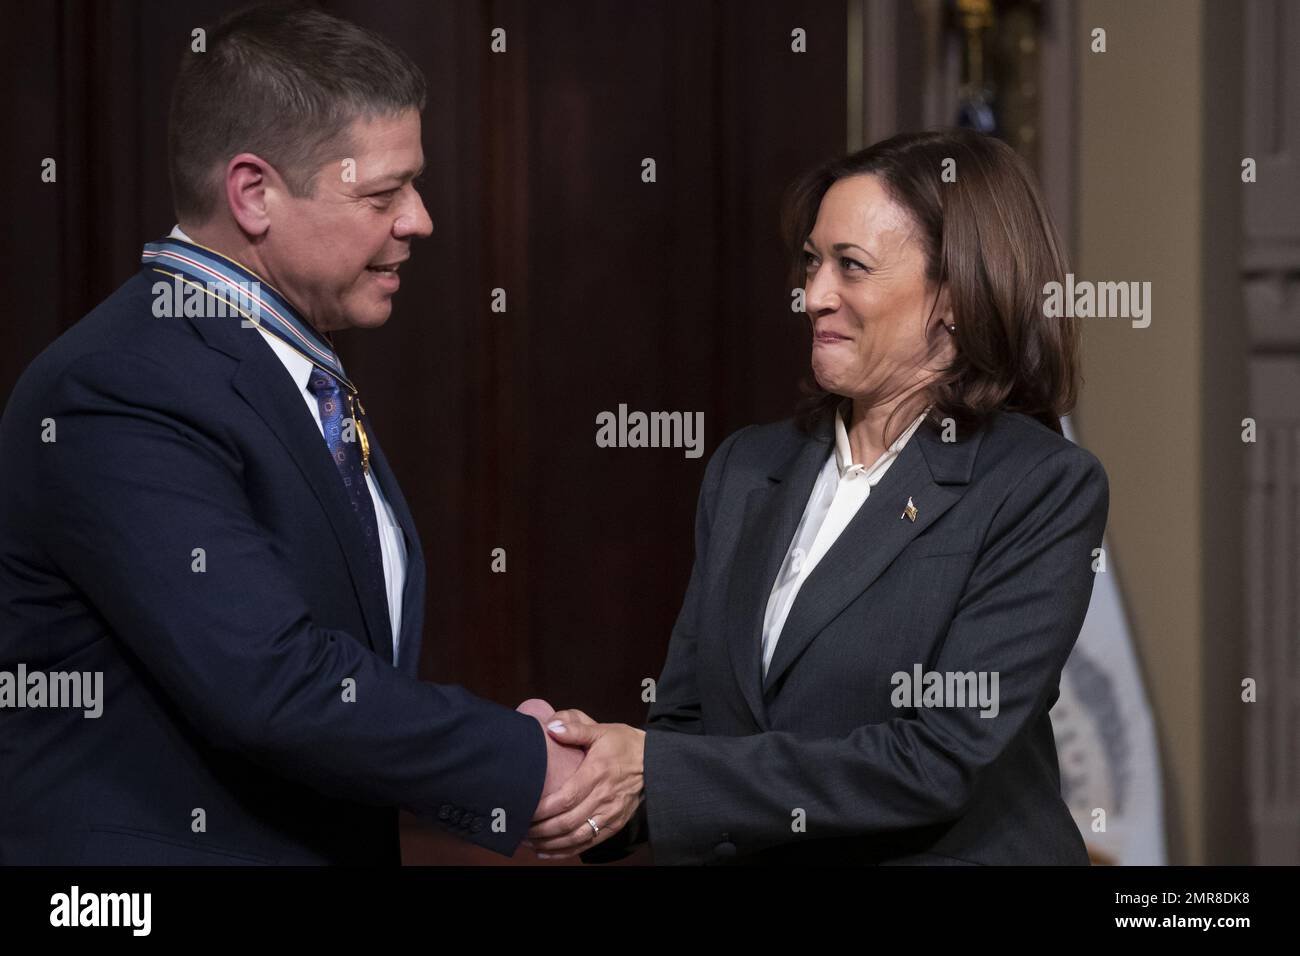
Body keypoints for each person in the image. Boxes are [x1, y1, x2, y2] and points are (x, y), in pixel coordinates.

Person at [0, 4, 583, 865]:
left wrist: (502, 766)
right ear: (254, 193)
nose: (418, 220)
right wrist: (529, 763)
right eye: (383, 193)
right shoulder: (119, 384)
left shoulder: (281, 361)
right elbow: (270, 682)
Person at [527, 128, 1110, 865]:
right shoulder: (748, 467)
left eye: (851, 267)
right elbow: (686, 724)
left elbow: (936, 761)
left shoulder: (1041, 487)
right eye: (811, 261)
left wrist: (658, 771)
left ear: (957, 296)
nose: (812, 294)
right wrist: (588, 782)